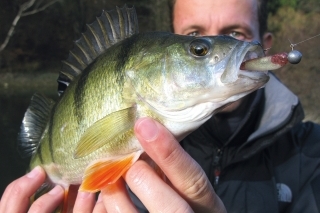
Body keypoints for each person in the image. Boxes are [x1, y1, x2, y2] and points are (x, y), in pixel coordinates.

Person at [1, 0, 320, 212]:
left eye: (235, 33)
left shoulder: (310, 157)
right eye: (197, 44)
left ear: (264, 45)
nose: (221, 44)